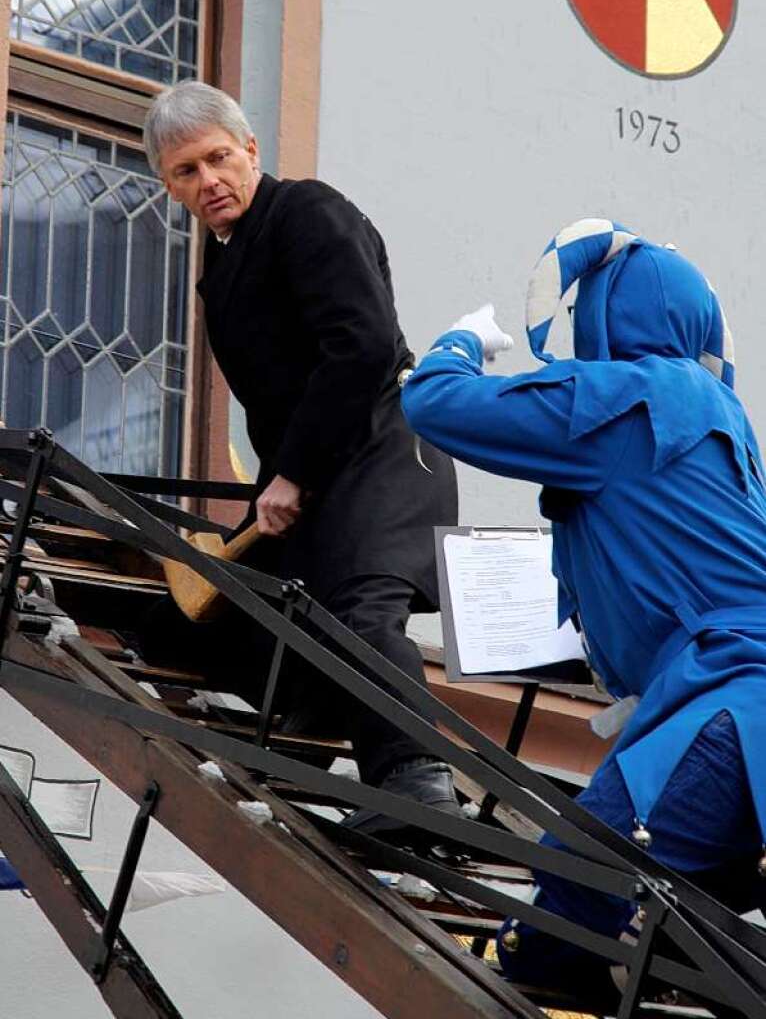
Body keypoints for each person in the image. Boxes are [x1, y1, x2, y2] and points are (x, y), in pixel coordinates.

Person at [401, 219, 766, 998]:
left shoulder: (633, 392)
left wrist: (460, 343)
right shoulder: (719, 417)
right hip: (727, 706)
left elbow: (436, 404)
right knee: (673, 955)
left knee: (555, 928)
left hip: (725, 711)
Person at [140, 80, 460, 832]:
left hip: (384, 447)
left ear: (251, 150)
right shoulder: (220, 271)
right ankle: (306, 726)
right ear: (168, 185)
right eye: (186, 171)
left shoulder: (309, 213)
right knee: (238, 611)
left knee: (359, 611)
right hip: (311, 471)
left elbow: (364, 347)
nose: (208, 181)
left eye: (218, 158)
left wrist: (293, 474)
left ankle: (418, 780)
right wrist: (278, 486)